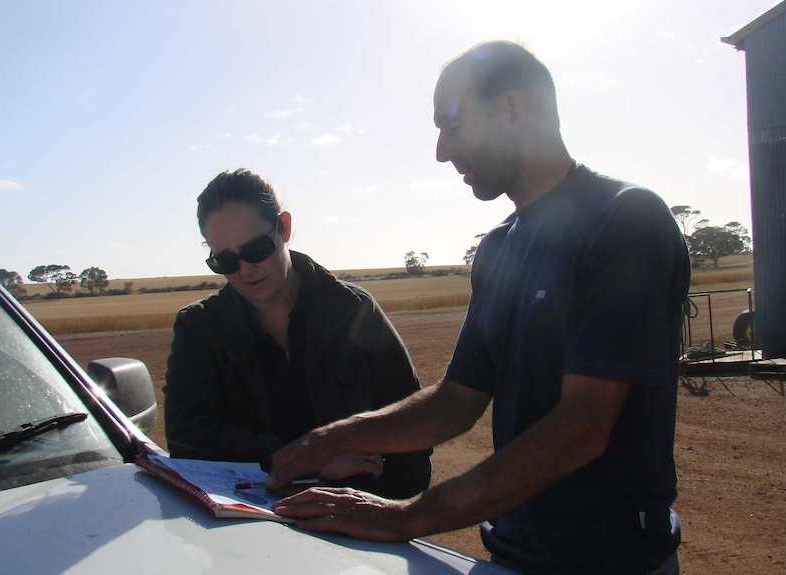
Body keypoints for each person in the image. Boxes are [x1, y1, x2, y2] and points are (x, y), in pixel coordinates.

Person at [267, 40, 690, 575]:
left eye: (452, 125)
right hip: (510, 555)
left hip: (615, 562)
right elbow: (454, 403)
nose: (442, 152)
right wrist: (333, 438)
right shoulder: (498, 249)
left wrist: (404, 518)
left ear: (511, 109)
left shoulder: (626, 221)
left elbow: (583, 425)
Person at [163, 168, 431, 500]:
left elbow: (411, 425)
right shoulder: (200, 328)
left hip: (357, 524)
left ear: (285, 227)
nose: (246, 270)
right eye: (226, 261)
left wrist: (386, 512)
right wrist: (314, 460)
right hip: (245, 530)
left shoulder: (354, 310)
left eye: (257, 249)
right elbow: (187, 438)